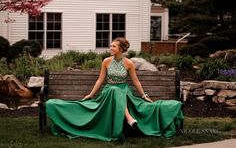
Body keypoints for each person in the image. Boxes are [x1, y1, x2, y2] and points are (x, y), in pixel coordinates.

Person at [46, 37, 184, 141]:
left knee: (117, 90)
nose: (110, 48)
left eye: (113, 46)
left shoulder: (128, 63)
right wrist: (90, 94)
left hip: (124, 93)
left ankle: (129, 117)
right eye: (111, 46)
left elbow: (136, 81)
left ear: (121, 49)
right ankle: (129, 118)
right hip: (108, 93)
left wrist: (143, 96)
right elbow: (100, 79)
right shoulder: (106, 61)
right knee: (113, 89)